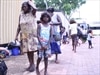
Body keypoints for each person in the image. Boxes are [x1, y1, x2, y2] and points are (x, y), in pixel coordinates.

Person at [15, 1, 37, 72]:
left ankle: (33, 64)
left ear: (29, 7)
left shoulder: (32, 13)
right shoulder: (21, 15)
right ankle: (30, 64)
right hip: (24, 35)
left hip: (31, 34)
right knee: (27, 50)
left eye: (25, 6)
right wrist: (16, 35)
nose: (24, 8)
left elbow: (35, 9)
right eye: (23, 6)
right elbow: (19, 26)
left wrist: (29, 2)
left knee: (31, 50)